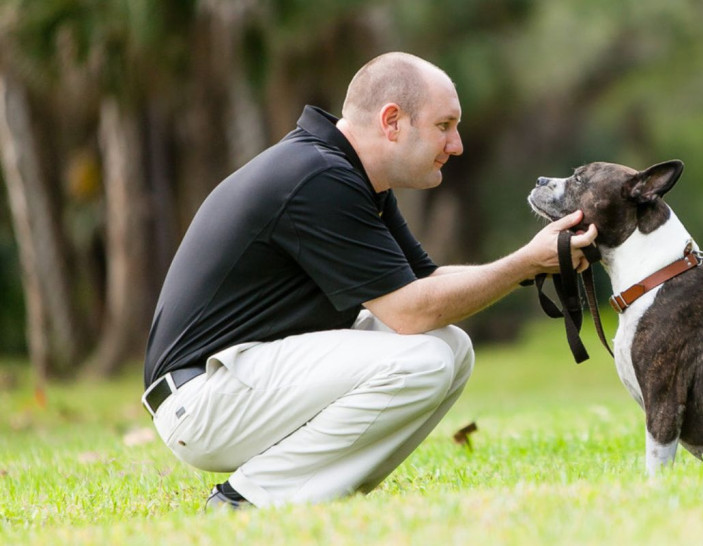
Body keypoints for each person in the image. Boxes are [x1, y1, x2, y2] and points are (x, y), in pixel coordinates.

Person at [141, 51, 598, 509]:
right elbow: (410, 312)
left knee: (451, 347)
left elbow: (426, 282)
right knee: (424, 360)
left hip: (239, 384)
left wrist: (536, 264)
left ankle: (323, 493)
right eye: (444, 126)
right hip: (201, 402)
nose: (457, 145)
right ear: (392, 121)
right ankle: (245, 500)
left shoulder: (350, 175)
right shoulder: (318, 178)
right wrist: (524, 263)